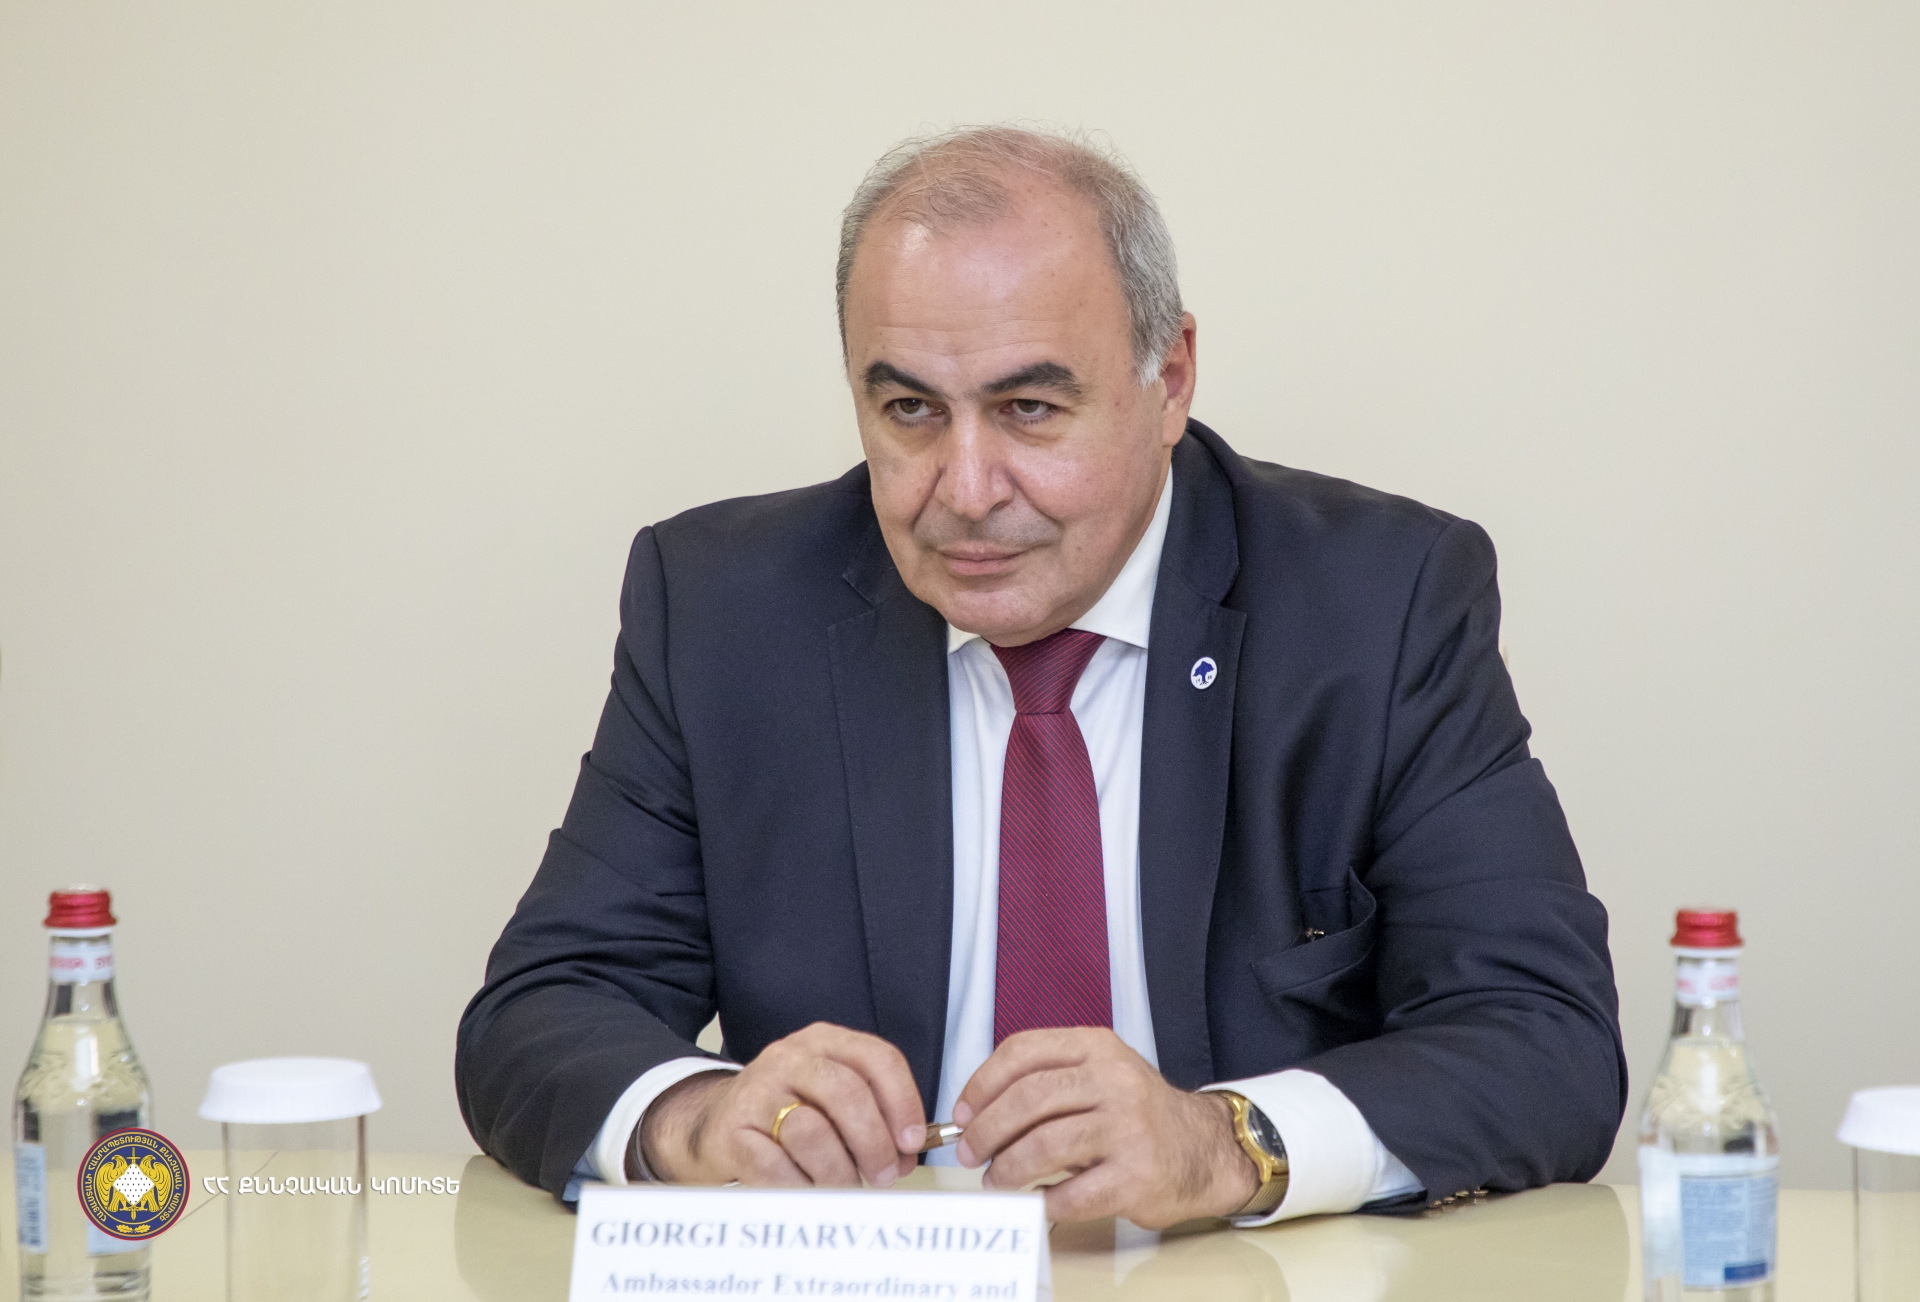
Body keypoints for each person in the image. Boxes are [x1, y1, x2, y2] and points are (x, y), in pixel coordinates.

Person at [455, 125, 1625, 1228]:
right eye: (909, 410)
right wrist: (695, 1121)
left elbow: (1544, 1037)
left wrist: (1227, 1145)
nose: (965, 489)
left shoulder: (1378, 604)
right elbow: (543, 1010)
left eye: (1028, 408)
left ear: (1170, 380)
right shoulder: (725, 609)